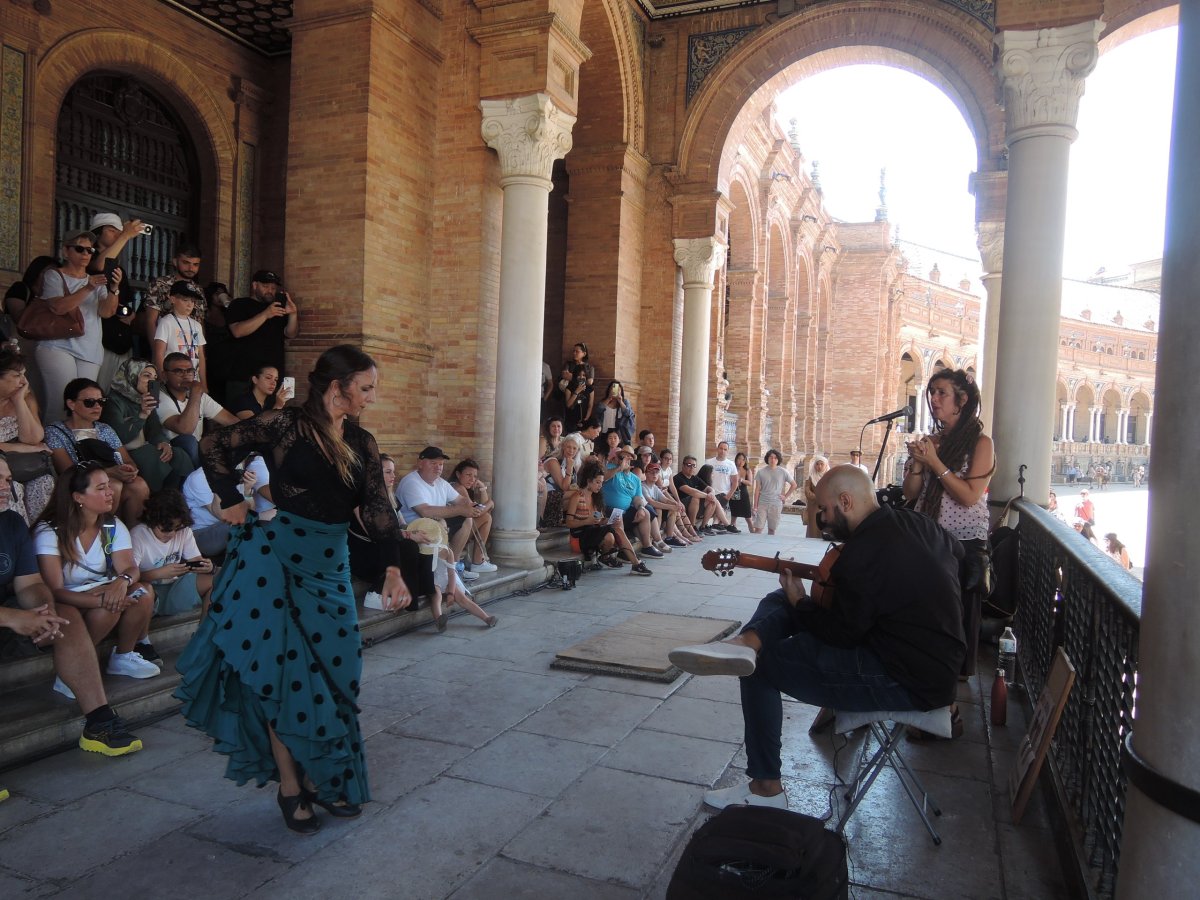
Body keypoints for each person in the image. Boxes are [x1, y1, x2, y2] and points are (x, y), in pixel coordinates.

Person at [175, 345, 412, 835]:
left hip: (330, 567)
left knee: (338, 679)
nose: (372, 397)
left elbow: (378, 510)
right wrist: (229, 498)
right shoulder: (281, 426)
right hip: (275, 563)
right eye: (366, 388)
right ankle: (291, 786)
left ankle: (327, 775)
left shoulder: (363, 442)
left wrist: (393, 568)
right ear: (337, 387)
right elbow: (213, 445)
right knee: (280, 679)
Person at [668, 466, 965, 809]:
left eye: (823, 510)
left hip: (905, 678)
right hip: (934, 664)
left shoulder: (862, 552)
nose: (822, 519)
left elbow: (840, 634)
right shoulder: (919, 524)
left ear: (845, 501)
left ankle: (766, 789)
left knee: (762, 668)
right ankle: (747, 642)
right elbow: (960, 558)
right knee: (781, 599)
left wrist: (803, 603)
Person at [0, 454, 145, 756]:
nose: (7, 487)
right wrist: (11, 617)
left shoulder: (11, 522)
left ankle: (99, 722)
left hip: (15, 612)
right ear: (78, 497)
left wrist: (44, 611)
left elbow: (30, 584)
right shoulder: (49, 530)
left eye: (8, 479)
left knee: (65, 613)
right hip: (7, 617)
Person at [902, 368, 995, 679]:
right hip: (929, 536)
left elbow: (969, 496)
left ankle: (952, 681)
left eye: (942, 392)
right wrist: (918, 463)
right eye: (932, 392)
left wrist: (935, 463)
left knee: (958, 616)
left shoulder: (982, 444)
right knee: (927, 611)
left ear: (962, 400)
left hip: (964, 543)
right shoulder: (933, 440)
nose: (933, 398)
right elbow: (911, 493)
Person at [34, 463, 160, 683]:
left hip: (104, 590)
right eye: (101, 488)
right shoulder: (49, 531)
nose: (110, 492)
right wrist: (101, 601)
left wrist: (122, 582)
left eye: (108, 486)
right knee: (108, 609)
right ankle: (74, 668)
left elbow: (129, 567)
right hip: (69, 601)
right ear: (78, 497)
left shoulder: (111, 525)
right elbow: (54, 590)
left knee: (144, 592)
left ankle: (123, 655)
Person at [33, 231, 121, 420]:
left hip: (89, 349)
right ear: (66, 251)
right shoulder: (54, 275)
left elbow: (106, 312)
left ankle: (77, 446)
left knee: (85, 405)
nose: (86, 254)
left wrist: (114, 288)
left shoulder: (97, 281)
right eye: (80, 249)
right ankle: (53, 448)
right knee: (60, 403)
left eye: (89, 250)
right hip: (57, 346)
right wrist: (88, 287)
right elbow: (58, 307)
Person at [45, 378, 151, 525]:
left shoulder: (104, 429)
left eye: (101, 402)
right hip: (79, 487)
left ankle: (133, 537)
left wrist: (129, 470)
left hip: (111, 481)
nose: (97, 407)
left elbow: (127, 460)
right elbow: (68, 471)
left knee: (139, 484)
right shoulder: (55, 431)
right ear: (71, 404)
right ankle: (101, 532)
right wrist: (109, 473)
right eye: (90, 402)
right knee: (112, 485)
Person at [101, 359, 193, 492]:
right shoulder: (113, 401)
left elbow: (154, 428)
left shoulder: (143, 397)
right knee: (150, 457)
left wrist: (163, 442)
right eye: (146, 376)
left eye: (155, 377)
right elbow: (119, 437)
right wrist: (142, 414)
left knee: (178, 455)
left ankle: (184, 499)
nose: (151, 381)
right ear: (131, 375)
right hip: (125, 452)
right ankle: (159, 502)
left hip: (143, 447)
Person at [395, 446, 486, 580]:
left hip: (436, 524)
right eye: (433, 463)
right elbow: (424, 511)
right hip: (415, 529)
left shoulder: (441, 483)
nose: (438, 467)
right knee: (454, 518)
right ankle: (446, 572)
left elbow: (461, 500)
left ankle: (452, 568)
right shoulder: (411, 482)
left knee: (467, 519)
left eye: (441, 464)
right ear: (420, 463)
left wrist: (474, 506)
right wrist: (460, 509)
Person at [130, 488, 215, 618]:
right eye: (166, 529)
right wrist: (160, 573)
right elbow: (129, 577)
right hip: (150, 590)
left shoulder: (184, 531)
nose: (173, 534)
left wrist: (206, 566)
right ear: (152, 520)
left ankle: (203, 631)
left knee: (216, 582)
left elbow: (195, 559)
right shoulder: (138, 535)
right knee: (143, 590)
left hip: (175, 586)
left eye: (177, 528)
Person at [223, 270, 299, 404]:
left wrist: (293, 314)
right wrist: (265, 314)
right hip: (243, 376)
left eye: (273, 288)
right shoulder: (240, 304)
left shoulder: (278, 306)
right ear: (254, 285)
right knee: (241, 420)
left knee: (269, 418)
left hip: (271, 378)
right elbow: (237, 331)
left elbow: (290, 333)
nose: (270, 290)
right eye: (265, 286)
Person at [0, 345, 54, 524]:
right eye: (16, 376)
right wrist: (24, 448)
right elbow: (30, 445)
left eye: (24, 375)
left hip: (24, 466)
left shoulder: (26, 398)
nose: (24, 382)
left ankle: (43, 544)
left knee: (44, 482)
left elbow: (34, 438)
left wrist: (18, 401)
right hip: (3, 470)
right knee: (11, 490)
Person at [157, 352, 240, 467]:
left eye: (190, 371)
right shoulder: (159, 396)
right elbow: (185, 429)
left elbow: (232, 421)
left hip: (197, 450)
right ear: (164, 375)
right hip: (170, 450)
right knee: (188, 441)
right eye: (178, 371)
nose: (186, 375)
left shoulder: (199, 394)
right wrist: (195, 391)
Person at [564, 461, 646, 573]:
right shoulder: (577, 497)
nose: (600, 486)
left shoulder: (596, 498)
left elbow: (599, 519)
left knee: (612, 534)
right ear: (588, 481)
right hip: (578, 538)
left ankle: (612, 558)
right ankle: (636, 563)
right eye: (597, 482)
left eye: (601, 482)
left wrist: (606, 520)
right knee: (617, 530)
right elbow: (569, 523)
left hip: (592, 532)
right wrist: (587, 521)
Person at [601, 444, 660, 564]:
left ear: (632, 460)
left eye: (629, 457)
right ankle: (624, 551)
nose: (626, 459)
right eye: (623, 457)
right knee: (617, 513)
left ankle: (647, 546)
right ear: (618, 458)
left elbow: (637, 497)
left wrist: (640, 508)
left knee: (645, 513)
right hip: (609, 510)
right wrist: (619, 468)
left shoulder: (635, 478)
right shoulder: (611, 468)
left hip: (626, 511)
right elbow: (603, 478)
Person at [141, 244, 204, 345]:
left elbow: (199, 322)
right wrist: (156, 352)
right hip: (166, 345)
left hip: (190, 349)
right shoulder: (160, 284)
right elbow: (151, 321)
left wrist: (200, 355)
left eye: (195, 264)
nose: (191, 268)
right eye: (186, 263)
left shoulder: (198, 290)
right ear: (175, 262)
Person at [152, 281, 208, 384]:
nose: (189, 304)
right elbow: (159, 354)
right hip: (174, 379)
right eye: (185, 300)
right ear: (173, 299)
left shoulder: (196, 325)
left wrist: (203, 383)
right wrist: (162, 377)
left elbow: (200, 356)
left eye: (192, 301)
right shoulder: (166, 322)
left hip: (193, 379)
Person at [448, 459, 498, 574]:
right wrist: (490, 503)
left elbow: (482, 509)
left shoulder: (463, 488)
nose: (472, 479)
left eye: (475, 476)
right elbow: (477, 512)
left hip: (458, 528)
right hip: (454, 532)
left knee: (486, 517)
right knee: (486, 518)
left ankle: (478, 561)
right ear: (458, 474)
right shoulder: (457, 487)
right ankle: (477, 562)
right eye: (468, 475)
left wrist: (482, 488)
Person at [752, 448, 796, 535]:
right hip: (763, 503)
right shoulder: (761, 472)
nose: (773, 460)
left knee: (772, 530)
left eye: (775, 458)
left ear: (778, 459)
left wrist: (785, 496)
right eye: (771, 457)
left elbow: (794, 485)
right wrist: (755, 506)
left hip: (776, 503)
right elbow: (757, 489)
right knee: (758, 529)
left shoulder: (783, 471)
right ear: (767, 459)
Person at [674, 456, 722, 535]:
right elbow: (692, 491)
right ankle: (692, 527)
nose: (691, 467)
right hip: (682, 506)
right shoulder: (677, 478)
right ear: (683, 465)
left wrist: (711, 493)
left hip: (695, 507)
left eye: (694, 465)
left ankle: (703, 527)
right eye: (689, 465)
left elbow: (709, 488)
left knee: (713, 501)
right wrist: (707, 496)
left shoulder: (694, 478)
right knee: (695, 497)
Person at [229, 363, 295, 420]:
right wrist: (278, 406)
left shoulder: (271, 402)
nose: (273, 383)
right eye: (268, 378)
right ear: (255, 380)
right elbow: (256, 428)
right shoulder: (241, 402)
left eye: (276, 379)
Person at [541, 435, 581, 528]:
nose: (571, 450)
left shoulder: (571, 463)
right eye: (568, 447)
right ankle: (568, 522)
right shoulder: (553, 461)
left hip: (560, 495)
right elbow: (564, 487)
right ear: (563, 446)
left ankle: (571, 522)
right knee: (577, 494)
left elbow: (571, 486)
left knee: (580, 495)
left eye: (574, 448)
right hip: (547, 495)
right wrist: (569, 469)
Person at [705, 441, 741, 533]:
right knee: (719, 509)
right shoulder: (709, 462)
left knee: (721, 510)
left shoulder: (731, 464)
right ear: (717, 449)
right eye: (721, 448)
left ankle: (716, 524)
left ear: (728, 451)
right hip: (712, 492)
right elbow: (704, 479)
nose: (723, 451)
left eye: (725, 449)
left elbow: (735, 482)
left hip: (724, 493)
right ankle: (724, 525)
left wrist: (729, 495)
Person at [559, 342, 595, 433]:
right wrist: (576, 382)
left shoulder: (589, 367)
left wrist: (573, 377)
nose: (574, 353)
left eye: (577, 351)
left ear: (584, 353)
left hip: (584, 415)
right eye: (573, 351)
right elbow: (564, 375)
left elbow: (590, 382)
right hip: (570, 409)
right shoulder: (569, 364)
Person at [596, 380, 636, 444]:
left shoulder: (625, 402)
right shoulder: (604, 401)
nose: (615, 391)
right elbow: (598, 411)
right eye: (613, 388)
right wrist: (609, 398)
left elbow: (628, 414)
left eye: (618, 389)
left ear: (621, 391)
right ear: (609, 390)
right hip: (604, 431)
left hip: (619, 434)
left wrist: (620, 401)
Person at [802, 455, 829, 538]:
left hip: (826, 505)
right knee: (813, 525)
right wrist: (816, 497)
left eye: (822, 464)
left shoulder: (829, 477)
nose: (819, 466)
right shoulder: (811, 476)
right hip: (814, 506)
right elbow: (807, 489)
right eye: (817, 464)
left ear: (825, 465)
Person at [729, 451, 755, 533]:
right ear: (736, 459)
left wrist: (742, 480)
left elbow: (750, 483)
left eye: (743, 460)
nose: (741, 461)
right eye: (739, 459)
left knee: (748, 516)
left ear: (745, 461)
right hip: (734, 492)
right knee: (734, 514)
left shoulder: (747, 470)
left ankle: (753, 532)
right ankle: (733, 529)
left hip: (743, 493)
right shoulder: (732, 469)